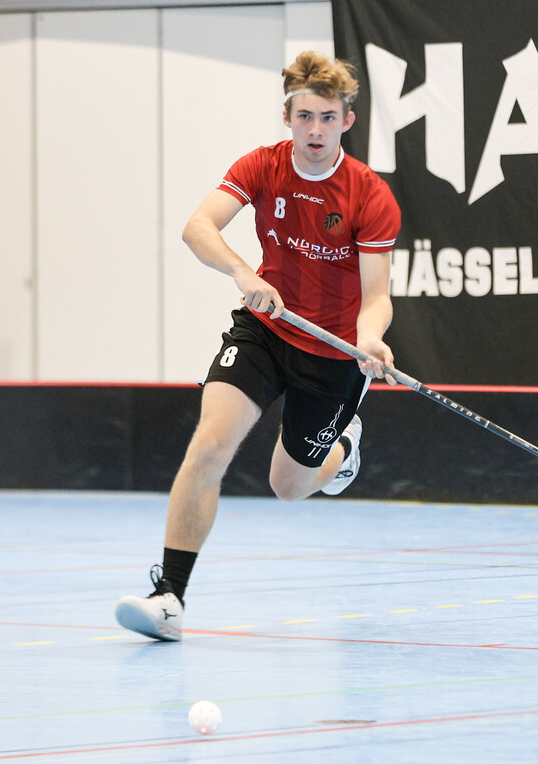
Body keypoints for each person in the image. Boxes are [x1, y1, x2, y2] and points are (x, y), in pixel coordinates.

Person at [115, 51, 402, 641]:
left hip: (333, 355)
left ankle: (344, 450)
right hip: (265, 329)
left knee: (287, 487)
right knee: (209, 447)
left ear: (347, 121)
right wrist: (243, 272)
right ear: (287, 116)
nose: (315, 130)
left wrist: (370, 339)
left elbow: (377, 295)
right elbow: (198, 227)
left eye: (327, 117)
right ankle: (169, 598)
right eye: (305, 116)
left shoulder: (370, 196)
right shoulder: (263, 166)